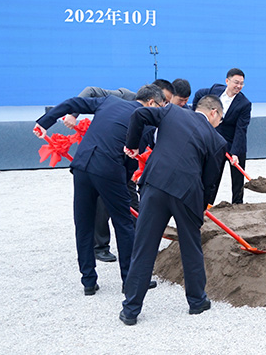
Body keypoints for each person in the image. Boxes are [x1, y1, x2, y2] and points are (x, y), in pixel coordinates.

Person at [33, 84, 166, 296]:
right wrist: (124, 182)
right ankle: (130, 280)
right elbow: (132, 159)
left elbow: (73, 102)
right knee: (123, 224)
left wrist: (44, 123)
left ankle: (88, 281)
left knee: (84, 224)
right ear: (151, 102)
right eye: (161, 106)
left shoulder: (110, 101)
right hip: (108, 169)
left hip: (82, 165)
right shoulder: (145, 122)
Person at [119, 95, 227, 325]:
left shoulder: (172, 112)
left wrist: (132, 145)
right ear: (214, 113)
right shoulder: (217, 140)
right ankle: (197, 301)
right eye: (220, 120)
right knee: (191, 248)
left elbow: (139, 114)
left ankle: (131, 309)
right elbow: (210, 181)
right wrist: (201, 207)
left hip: (155, 184)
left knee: (144, 247)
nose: (218, 125)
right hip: (187, 194)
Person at [63, 86, 136, 264]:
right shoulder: (124, 97)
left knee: (132, 202)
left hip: (127, 163)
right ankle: (100, 246)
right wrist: (73, 114)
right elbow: (90, 91)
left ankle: (136, 245)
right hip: (107, 162)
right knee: (102, 204)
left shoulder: (164, 112)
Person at [192, 68, 251, 204]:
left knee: (237, 179)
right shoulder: (215, 89)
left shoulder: (244, 104)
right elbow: (199, 94)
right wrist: (196, 114)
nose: (239, 86)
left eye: (241, 83)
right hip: (215, 143)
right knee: (213, 176)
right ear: (227, 81)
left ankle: (238, 205)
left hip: (234, 142)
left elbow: (241, 130)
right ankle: (207, 204)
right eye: (236, 82)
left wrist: (235, 153)